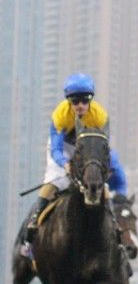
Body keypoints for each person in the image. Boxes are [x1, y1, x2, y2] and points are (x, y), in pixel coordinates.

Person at [20, 73, 128, 259]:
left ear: (90, 100)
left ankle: (116, 231)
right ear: (68, 101)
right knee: (54, 183)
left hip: (89, 147)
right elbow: (56, 148)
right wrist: (65, 165)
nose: (80, 105)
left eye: (85, 100)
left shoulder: (100, 116)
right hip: (64, 148)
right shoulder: (60, 115)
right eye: (74, 100)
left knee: (103, 184)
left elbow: (102, 148)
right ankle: (30, 235)